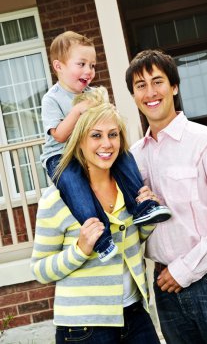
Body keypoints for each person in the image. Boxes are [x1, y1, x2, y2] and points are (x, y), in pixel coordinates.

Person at [126, 49, 207, 344]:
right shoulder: (133, 158)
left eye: (157, 81)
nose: (150, 92)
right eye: (140, 85)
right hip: (167, 291)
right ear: (133, 95)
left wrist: (184, 271)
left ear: (174, 87)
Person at [31, 91, 161, 344]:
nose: (107, 144)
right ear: (79, 141)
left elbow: (134, 243)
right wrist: (80, 249)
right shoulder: (56, 200)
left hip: (136, 316)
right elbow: (40, 270)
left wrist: (149, 216)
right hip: (84, 328)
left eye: (113, 135)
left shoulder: (129, 187)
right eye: (96, 136)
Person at [40, 31, 171, 262]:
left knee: (123, 156)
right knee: (76, 188)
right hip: (61, 157)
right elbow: (59, 135)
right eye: (81, 64)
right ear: (58, 66)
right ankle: (101, 239)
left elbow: (106, 122)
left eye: (92, 65)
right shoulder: (52, 98)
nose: (88, 71)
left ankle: (141, 205)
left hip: (89, 152)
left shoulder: (93, 93)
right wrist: (78, 110)